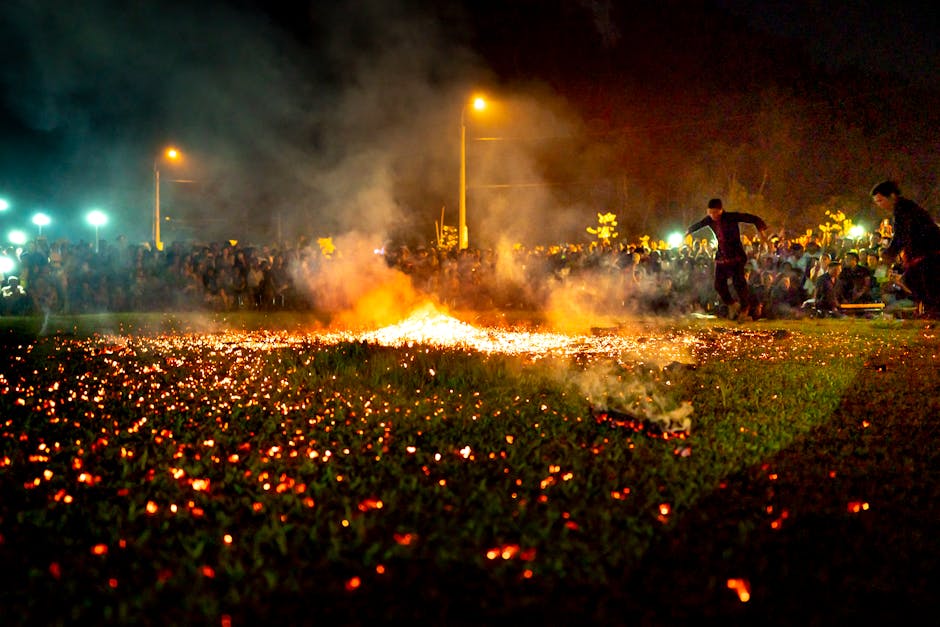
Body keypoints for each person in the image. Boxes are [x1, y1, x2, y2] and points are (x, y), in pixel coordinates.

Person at [686, 198, 769, 320]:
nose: (713, 216)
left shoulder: (731, 217)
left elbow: (752, 218)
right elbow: (698, 225)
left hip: (736, 256)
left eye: (715, 213)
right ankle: (732, 304)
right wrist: (687, 232)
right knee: (719, 285)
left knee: (738, 283)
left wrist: (762, 232)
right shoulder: (709, 219)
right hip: (722, 257)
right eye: (710, 213)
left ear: (721, 210)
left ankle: (745, 308)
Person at [870, 180, 940, 315]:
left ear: (892, 196)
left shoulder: (905, 210)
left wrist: (888, 255)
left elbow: (901, 236)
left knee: (919, 282)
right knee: (916, 282)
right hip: (922, 255)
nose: (880, 205)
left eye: (880, 200)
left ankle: (933, 312)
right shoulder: (903, 209)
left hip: (929, 255)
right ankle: (932, 312)